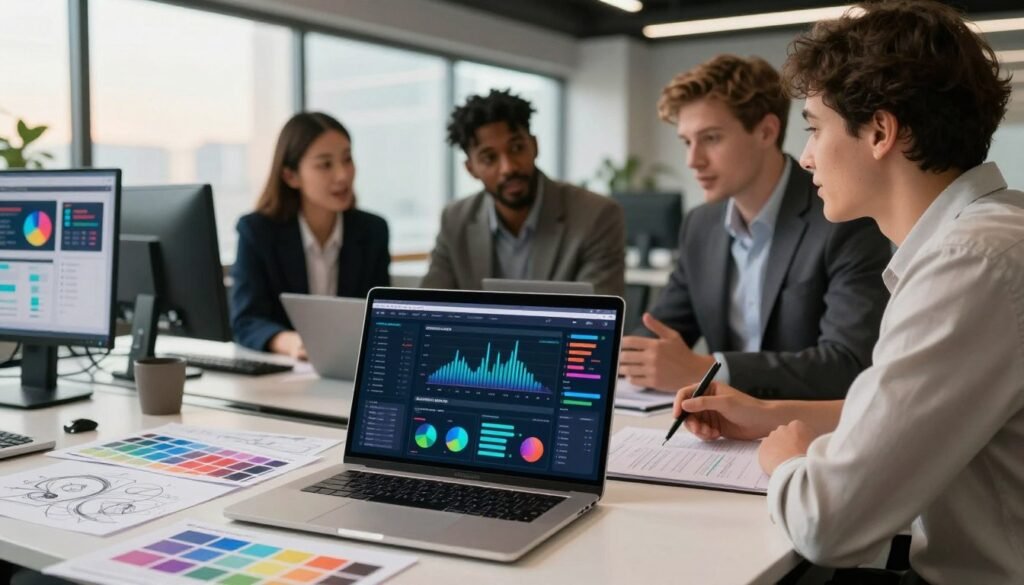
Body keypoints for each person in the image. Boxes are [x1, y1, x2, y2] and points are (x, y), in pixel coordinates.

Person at [674, 2, 1022, 583]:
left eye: (813, 127)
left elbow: (825, 522)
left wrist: (784, 460)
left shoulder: (967, 267)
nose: (805, 155)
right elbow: (908, 417)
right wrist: (767, 415)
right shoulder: (990, 235)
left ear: (880, 132)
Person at [618, 55, 891, 399]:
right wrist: (629, 356)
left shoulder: (842, 217)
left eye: (711, 138)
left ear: (766, 131)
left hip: (809, 432)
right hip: (720, 429)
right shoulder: (701, 224)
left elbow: (848, 363)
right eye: (687, 142)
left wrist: (709, 371)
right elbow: (662, 330)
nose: (693, 160)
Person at [421, 89, 626, 296]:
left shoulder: (596, 215)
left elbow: (599, 317)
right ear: (471, 169)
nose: (508, 168)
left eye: (517, 148)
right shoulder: (455, 220)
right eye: (489, 158)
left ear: (535, 146)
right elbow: (429, 304)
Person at [231, 112, 390, 358]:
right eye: (325, 164)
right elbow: (246, 320)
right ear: (291, 176)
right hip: (284, 372)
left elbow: (381, 317)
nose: (343, 175)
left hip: (350, 369)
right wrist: (292, 343)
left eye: (347, 159)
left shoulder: (372, 231)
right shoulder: (257, 231)